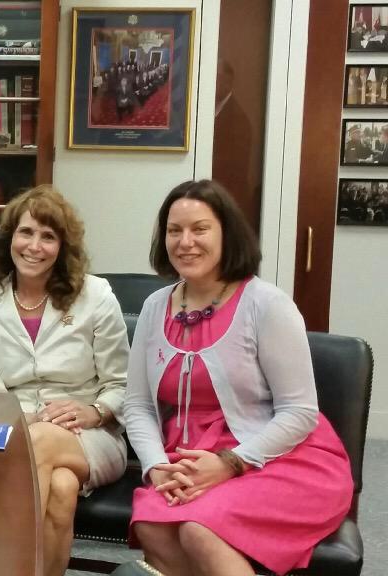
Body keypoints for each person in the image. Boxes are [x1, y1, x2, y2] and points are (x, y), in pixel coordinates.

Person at [124, 180, 352, 576]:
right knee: (152, 528)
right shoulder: (154, 307)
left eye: (200, 229)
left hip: (280, 456)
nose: (185, 242)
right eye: (174, 231)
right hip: (189, 458)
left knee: (200, 529)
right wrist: (156, 465)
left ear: (227, 234)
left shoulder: (267, 305)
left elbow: (300, 412)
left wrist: (231, 462)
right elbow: (138, 404)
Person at [0, 186, 129, 576]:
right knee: (62, 488)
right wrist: (33, 419)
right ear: (10, 238)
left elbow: (123, 385)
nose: (34, 246)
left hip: (93, 435)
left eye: (48, 236)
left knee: (39, 443)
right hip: (16, 428)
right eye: (26, 232)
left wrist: (94, 411)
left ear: (62, 247)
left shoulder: (96, 296)